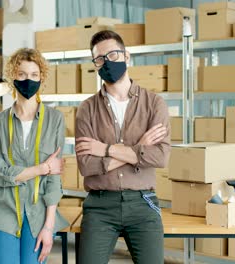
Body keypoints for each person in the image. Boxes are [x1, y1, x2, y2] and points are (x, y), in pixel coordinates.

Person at [75, 30, 171, 264]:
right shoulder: (87, 109)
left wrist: (105, 149)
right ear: (95, 64)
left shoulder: (154, 103)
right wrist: (139, 148)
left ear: (127, 56)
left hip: (143, 203)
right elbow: (86, 166)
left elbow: (160, 156)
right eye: (100, 59)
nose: (107, 62)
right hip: (99, 205)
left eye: (113, 55)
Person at [0, 48, 68, 264]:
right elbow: (1, 173)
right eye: (22, 74)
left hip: (39, 216)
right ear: (13, 77)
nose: (28, 80)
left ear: (42, 78)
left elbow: (54, 179)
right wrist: (42, 168)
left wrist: (49, 227)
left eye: (34, 75)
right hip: (4, 213)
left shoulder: (55, 120)